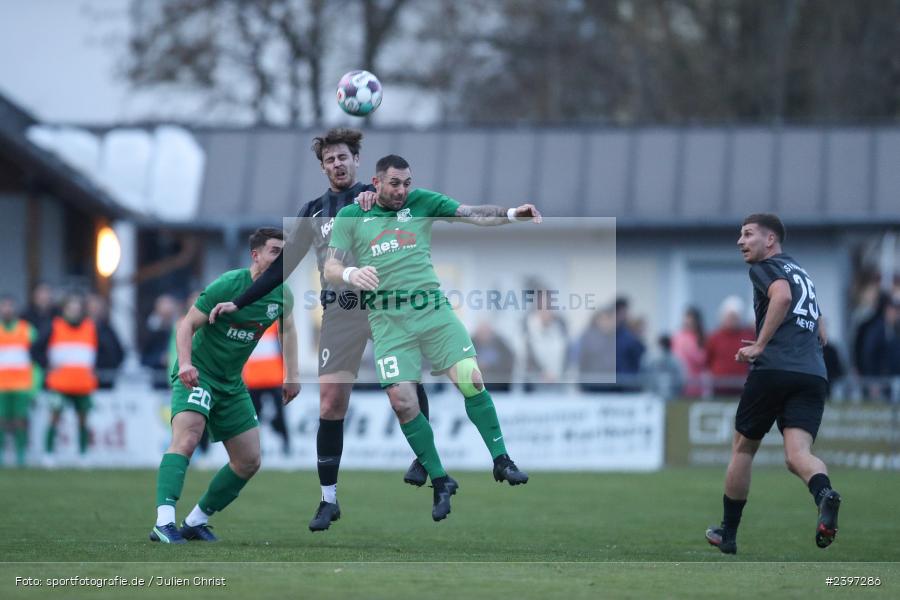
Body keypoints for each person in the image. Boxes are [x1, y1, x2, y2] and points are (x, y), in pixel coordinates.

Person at [207, 128, 434, 532]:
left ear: (357, 161)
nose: (337, 164)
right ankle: (328, 500)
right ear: (323, 166)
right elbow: (282, 268)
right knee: (330, 404)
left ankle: (424, 457)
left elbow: (407, 214)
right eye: (330, 159)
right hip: (340, 311)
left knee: (405, 388)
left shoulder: (376, 195)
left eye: (343, 157)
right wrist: (239, 301)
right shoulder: (313, 212)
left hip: (383, 306)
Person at [325, 154, 540, 521]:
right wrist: (350, 274)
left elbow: (473, 213)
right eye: (395, 183)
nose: (403, 190)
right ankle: (440, 480)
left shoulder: (422, 202)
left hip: (434, 312)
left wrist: (510, 214)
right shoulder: (351, 216)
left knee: (471, 379)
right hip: (388, 320)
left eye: (407, 183)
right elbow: (331, 266)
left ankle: (501, 460)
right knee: (402, 401)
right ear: (376, 183)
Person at [150, 228, 299, 544]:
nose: (280, 259)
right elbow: (186, 324)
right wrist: (186, 363)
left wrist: (293, 374)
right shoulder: (229, 284)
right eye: (275, 251)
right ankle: (164, 522)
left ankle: (195, 521)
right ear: (255, 255)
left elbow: (289, 332)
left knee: (249, 461)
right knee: (188, 438)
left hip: (231, 383)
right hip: (199, 373)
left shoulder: (282, 293)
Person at [706, 213, 840, 555]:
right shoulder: (802, 272)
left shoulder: (767, 267)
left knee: (743, 447)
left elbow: (780, 298)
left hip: (774, 369)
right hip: (812, 373)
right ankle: (825, 495)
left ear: (770, 240)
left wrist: (761, 344)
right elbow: (821, 327)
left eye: (748, 234)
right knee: (798, 455)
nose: (740, 240)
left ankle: (728, 534)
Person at [33, 292, 97, 464]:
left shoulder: (90, 327)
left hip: (83, 384)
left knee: (83, 419)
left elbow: (109, 351)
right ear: (64, 310)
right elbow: (35, 349)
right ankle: (48, 454)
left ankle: (83, 455)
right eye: (71, 308)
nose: (74, 312)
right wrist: (46, 364)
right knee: (54, 418)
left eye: (77, 308)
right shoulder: (54, 326)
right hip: (59, 384)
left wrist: (96, 367)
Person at [242, 321, 291, 455]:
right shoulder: (245, 323)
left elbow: (285, 348)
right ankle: (257, 447)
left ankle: (286, 444)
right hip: (253, 379)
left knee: (280, 414)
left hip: (274, 377)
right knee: (254, 418)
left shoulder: (275, 324)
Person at [0, 295, 36, 467]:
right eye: (3, 306)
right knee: (2, 420)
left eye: (9, 306)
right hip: (1, 385)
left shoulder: (27, 329)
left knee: (20, 420)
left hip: (21, 384)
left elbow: (36, 359)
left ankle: (20, 456)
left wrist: (34, 385)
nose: (7, 309)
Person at [705, 296, 756, 396]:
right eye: (729, 316)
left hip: (742, 386)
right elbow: (708, 359)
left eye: (734, 317)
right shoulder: (714, 337)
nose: (731, 320)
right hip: (719, 386)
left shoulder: (748, 336)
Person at [87, 294, 125, 390]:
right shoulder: (79, 329)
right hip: (83, 382)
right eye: (92, 307)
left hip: (105, 381)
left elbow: (119, 353)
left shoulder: (108, 330)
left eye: (97, 307)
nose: (94, 310)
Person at [671, 306, 706, 397]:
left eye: (691, 319)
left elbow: (703, 359)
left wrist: (691, 351)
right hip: (679, 381)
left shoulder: (701, 338)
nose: (687, 321)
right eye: (686, 318)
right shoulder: (677, 337)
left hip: (695, 383)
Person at [470, 322, 515, 393]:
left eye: (486, 331)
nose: (484, 334)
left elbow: (508, 362)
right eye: (482, 332)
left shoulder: (501, 345)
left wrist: (490, 367)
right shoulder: (469, 344)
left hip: (498, 385)